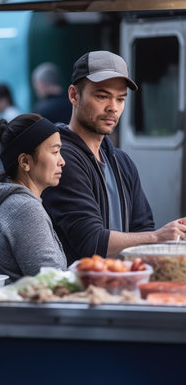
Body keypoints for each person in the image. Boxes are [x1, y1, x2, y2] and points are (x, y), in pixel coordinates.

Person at [42, 50, 186, 265]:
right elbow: (90, 242)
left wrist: (161, 238)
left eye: (121, 99)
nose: (113, 108)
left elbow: (142, 228)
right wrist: (157, 237)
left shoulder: (121, 161)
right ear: (74, 95)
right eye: (102, 96)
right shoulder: (61, 158)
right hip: (79, 291)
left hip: (122, 286)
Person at [0, 113, 67, 282]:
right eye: (55, 151)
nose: (62, 161)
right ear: (25, 161)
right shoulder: (24, 209)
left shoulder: (19, 204)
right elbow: (53, 282)